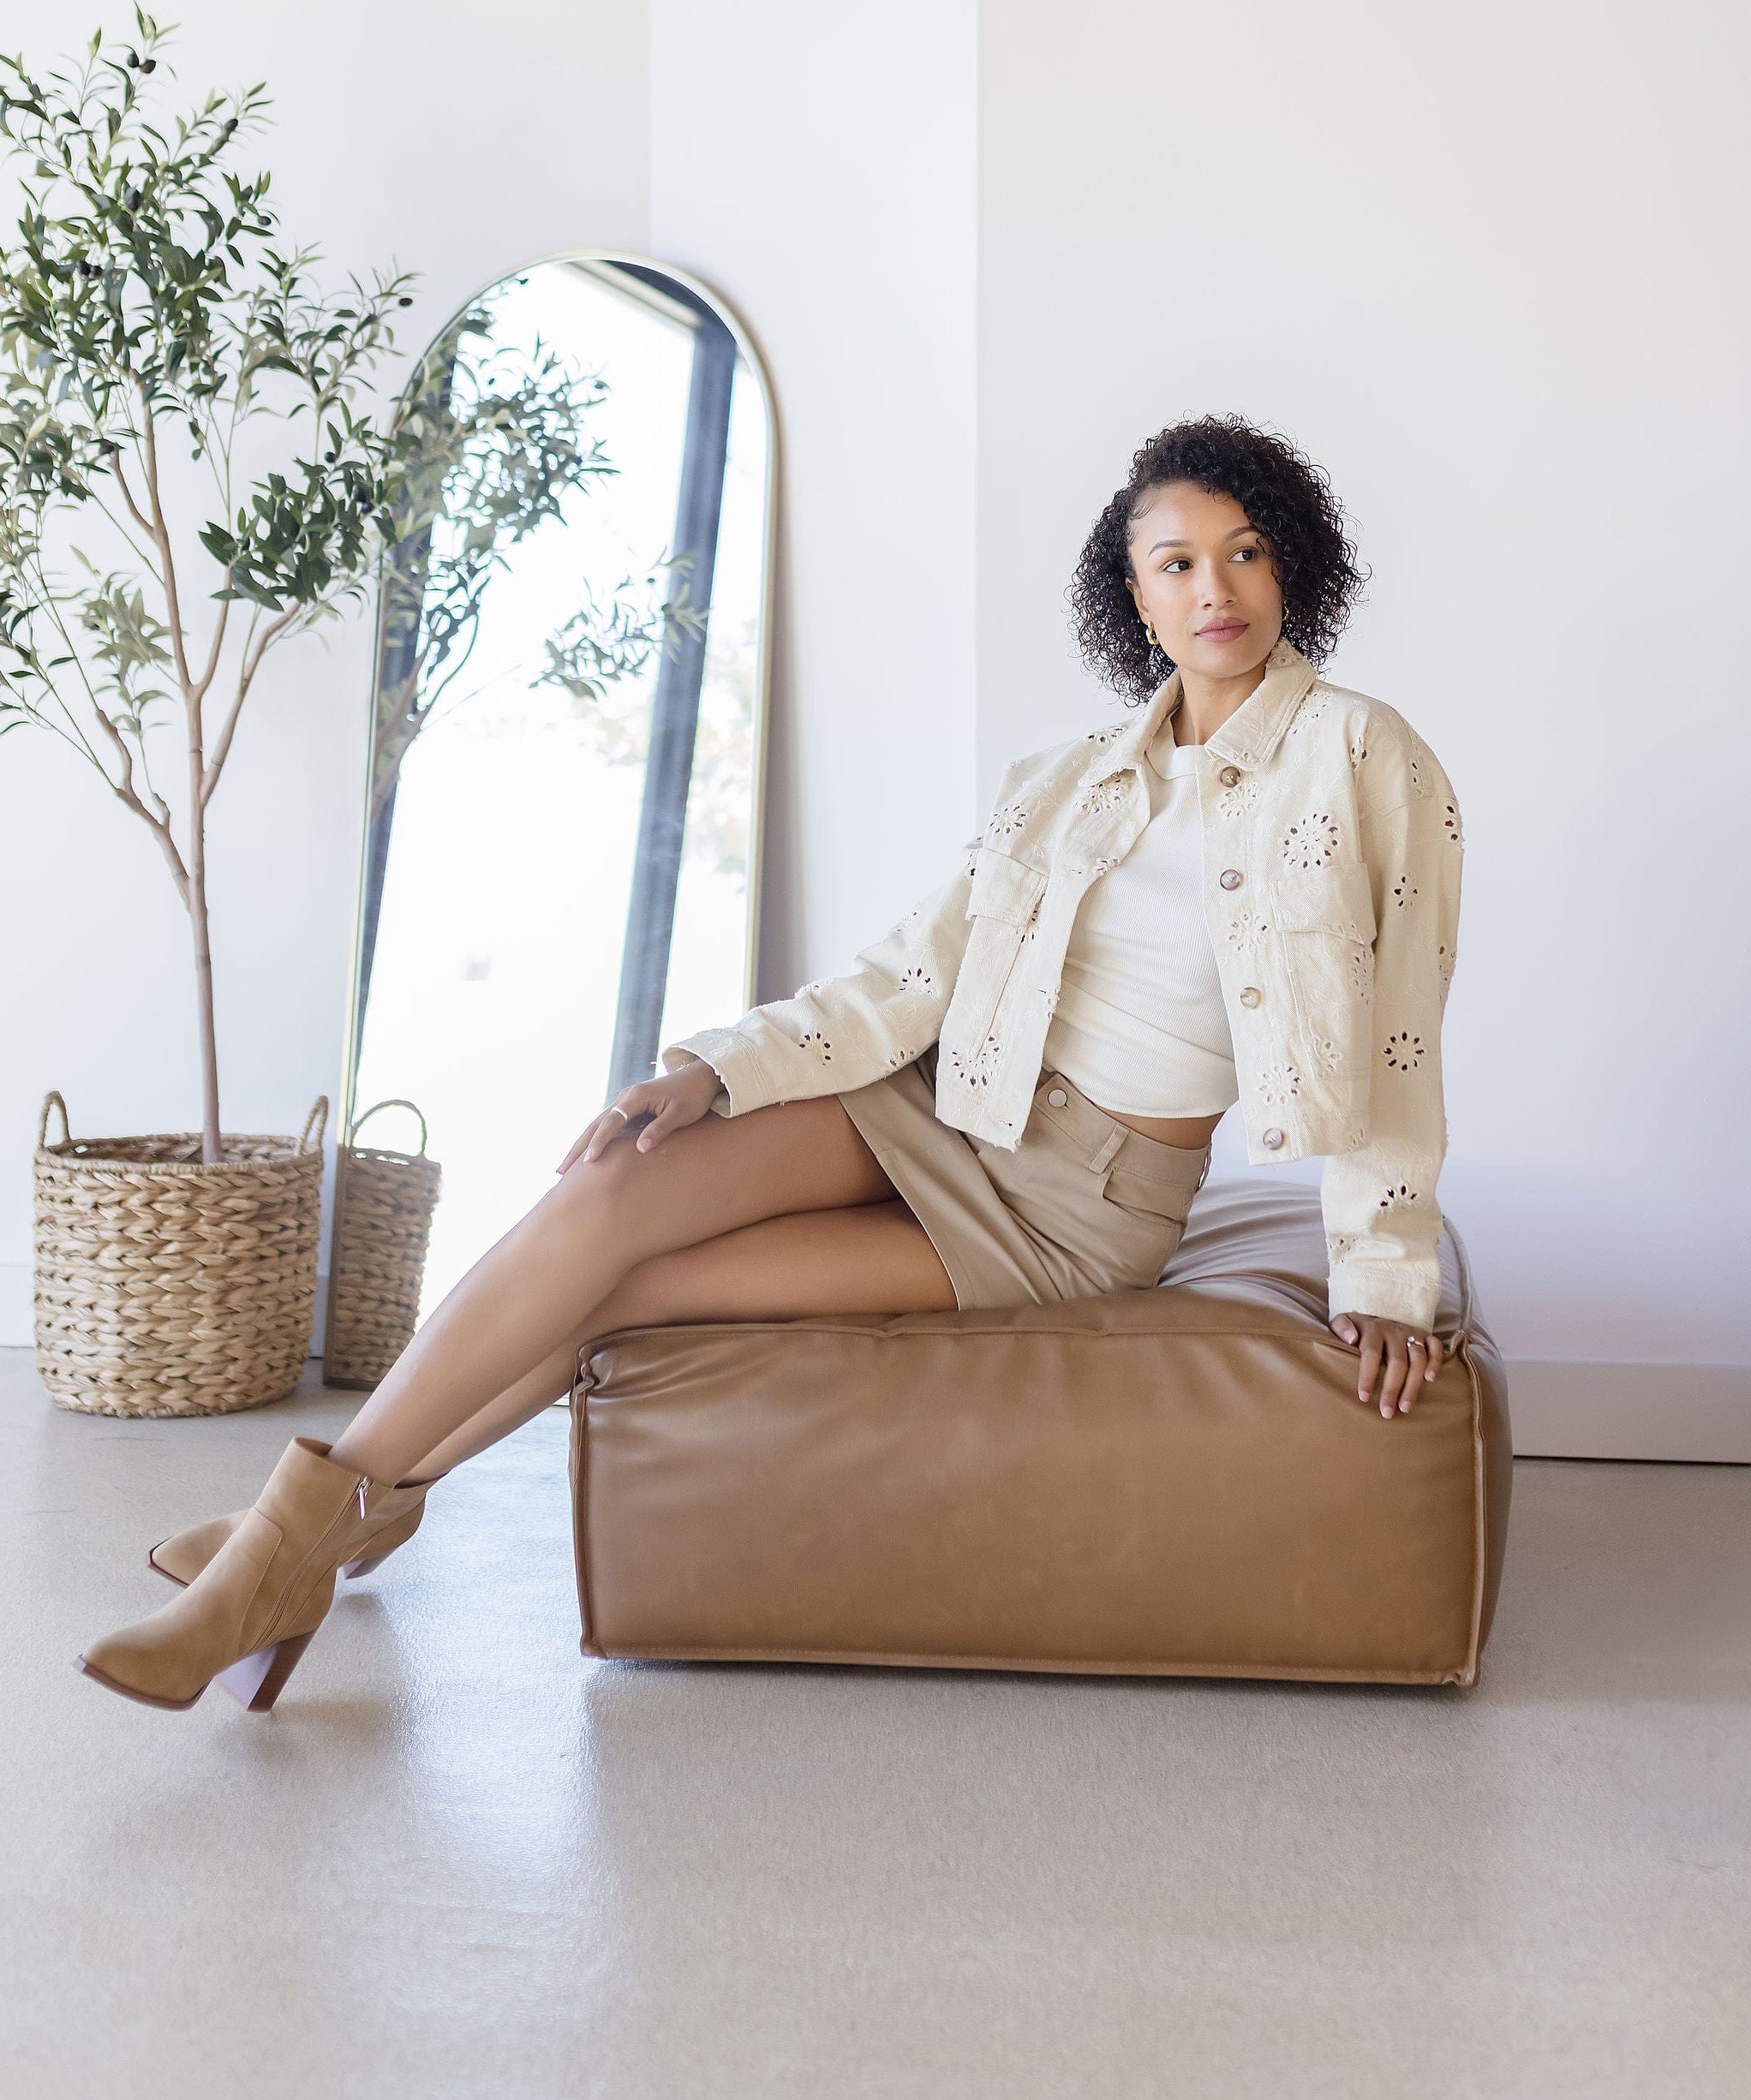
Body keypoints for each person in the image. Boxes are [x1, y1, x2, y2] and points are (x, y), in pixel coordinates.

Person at [75, 415, 1464, 1715]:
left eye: (1245, 552)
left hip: (1075, 1207)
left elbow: (1402, 1029)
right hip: (945, 1102)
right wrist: (716, 1068)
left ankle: (292, 1546)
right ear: (1135, 595)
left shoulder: (1364, 758)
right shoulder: (1064, 779)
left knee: (637, 1292)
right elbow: (906, 975)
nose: (1216, 589)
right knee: (615, 1185)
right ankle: (311, 1540)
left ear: (1290, 563)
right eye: (1178, 562)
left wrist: (1386, 1272)